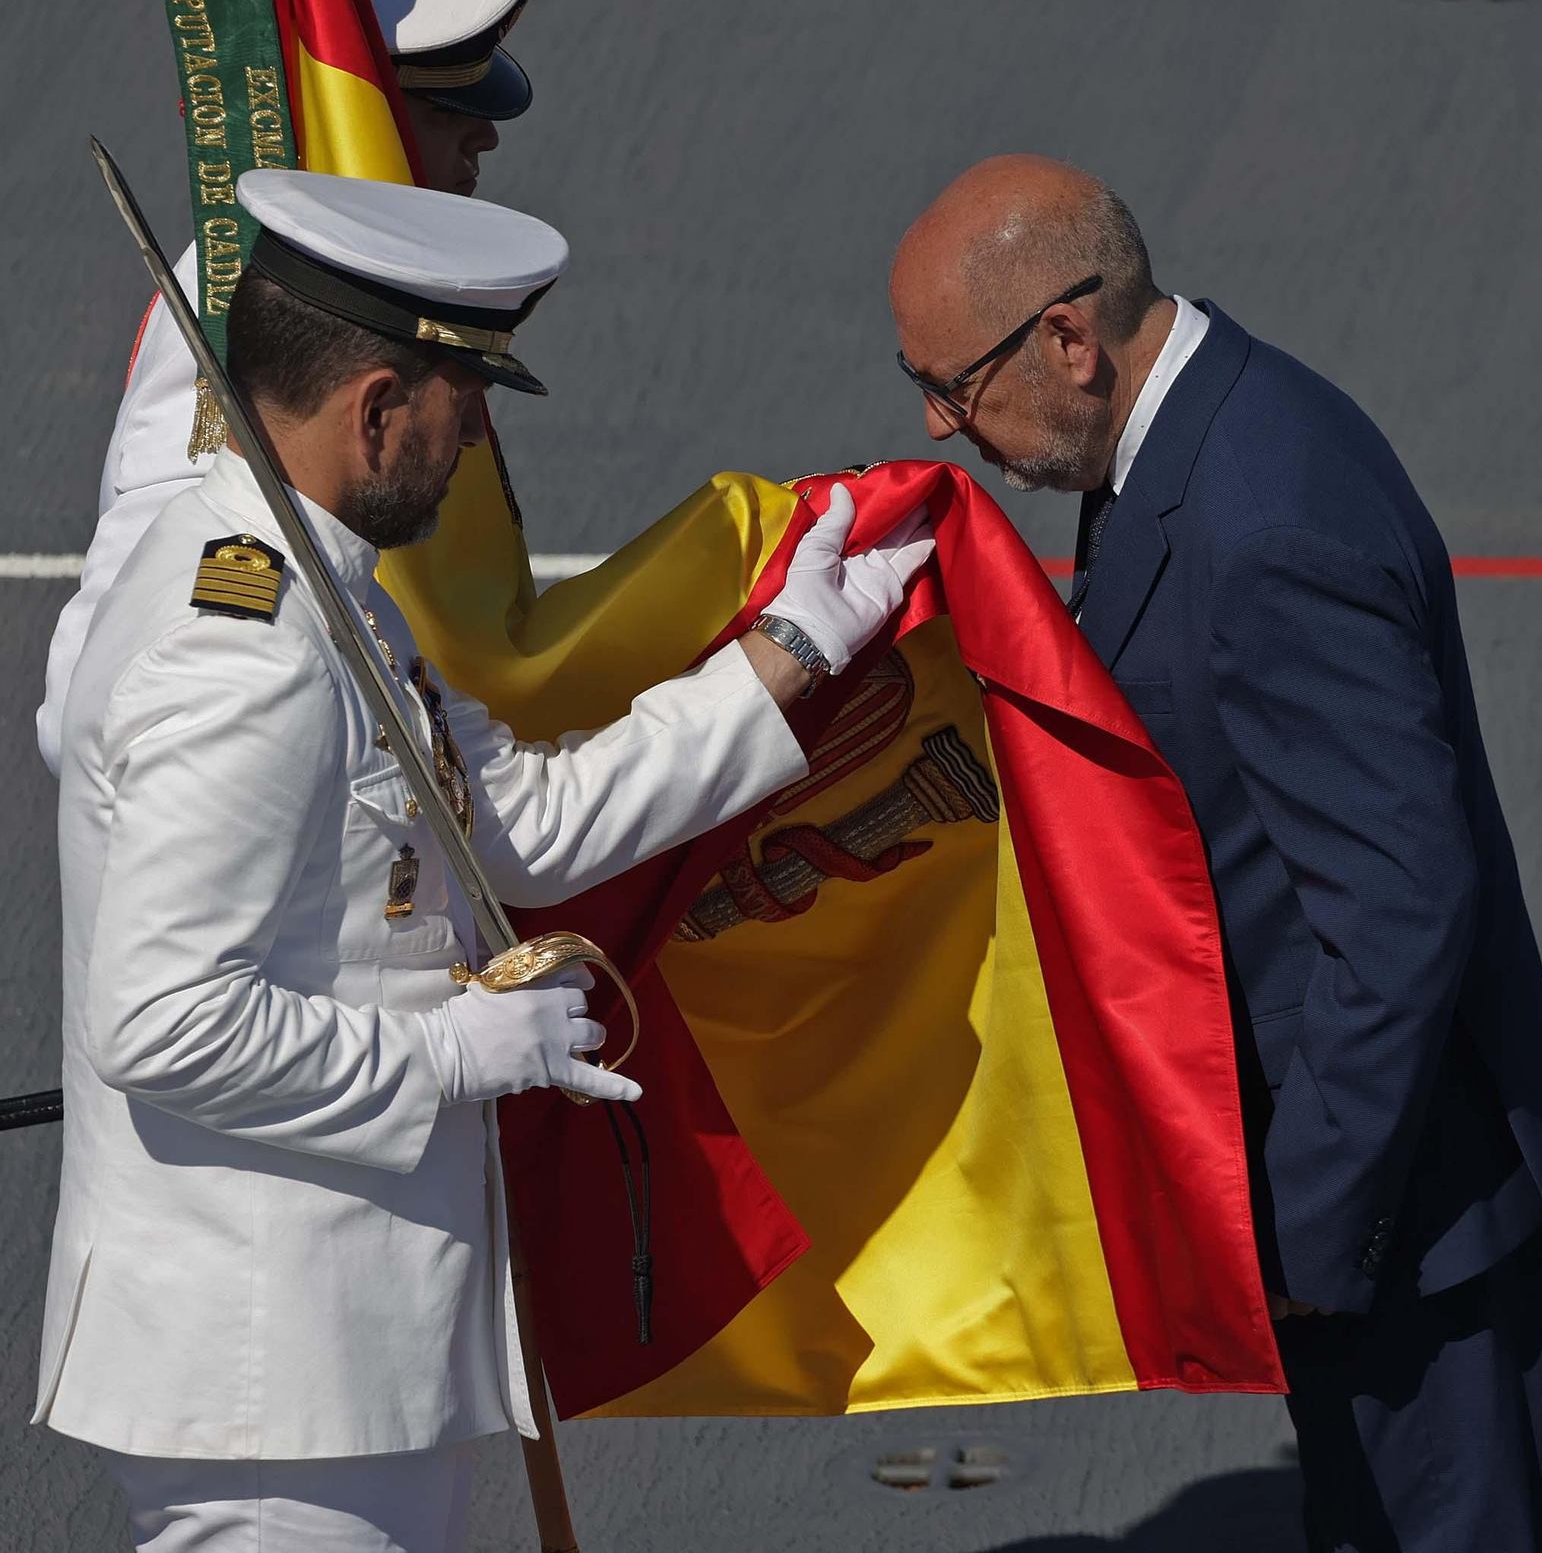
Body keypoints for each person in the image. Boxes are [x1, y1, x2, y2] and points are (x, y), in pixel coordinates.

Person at [39, 168, 933, 1553]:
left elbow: (518, 821)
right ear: (375, 407)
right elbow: (162, 1022)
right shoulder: (252, 650)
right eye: (461, 414)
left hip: (337, 1362)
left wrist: (790, 655)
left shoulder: (317, 584)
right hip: (276, 1383)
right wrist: (452, 1056)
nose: (468, 455)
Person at [889, 153, 1542, 1553]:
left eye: (955, 388)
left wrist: (1312, 1230)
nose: (943, 424)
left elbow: (1399, 913)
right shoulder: (1199, 438)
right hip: (1373, 1191)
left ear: (1069, 339)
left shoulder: (1264, 522)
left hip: (1400, 1219)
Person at [36, 0, 547, 776]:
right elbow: (124, 664)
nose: (485, 132)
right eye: (441, 102)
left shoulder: (368, 279)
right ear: (348, 112)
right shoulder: (249, 285)